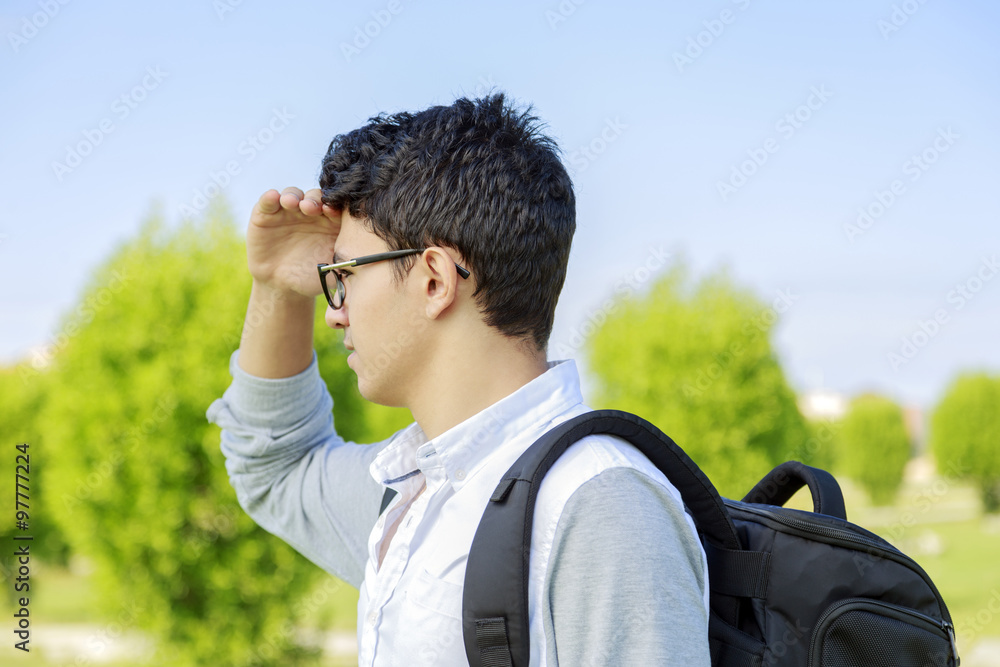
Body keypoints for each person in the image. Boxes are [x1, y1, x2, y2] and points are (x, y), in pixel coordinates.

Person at [207, 93, 710, 665]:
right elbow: (276, 467)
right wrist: (276, 286)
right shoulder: (411, 495)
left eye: (344, 274)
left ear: (434, 280)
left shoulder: (598, 505)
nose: (334, 313)